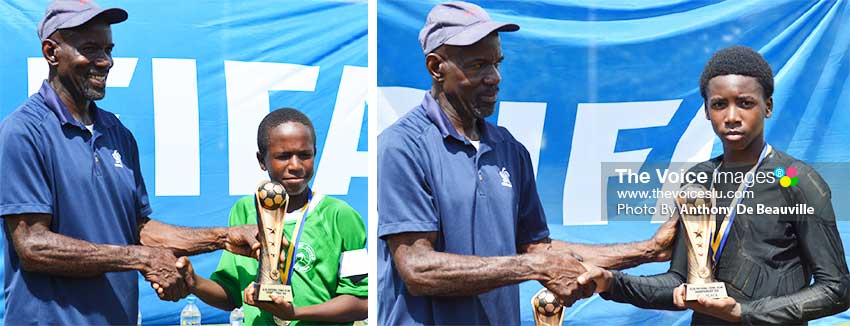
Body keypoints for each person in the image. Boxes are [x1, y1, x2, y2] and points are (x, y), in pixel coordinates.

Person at [377, 2, 679, 325]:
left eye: (496, 64)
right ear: (437, 67)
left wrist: (649, 250)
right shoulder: (403, 146)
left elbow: (537, 251)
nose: (494, 78)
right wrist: (535, 268)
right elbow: (418, 268)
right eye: (479, 65)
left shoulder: (509, 148)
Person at [0, 1, 261, 324]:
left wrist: (222, 237)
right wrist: (141, 259)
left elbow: (138, 229)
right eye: (91, 49)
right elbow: (33, 245)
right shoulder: (24, 131)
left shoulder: (117, 133)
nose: (105, 61)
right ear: (52, 53)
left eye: (108, 49)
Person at [578, 46, 850, 325]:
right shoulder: (698, 179)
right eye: (719, 104)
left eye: (745, 103)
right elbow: (680, 281)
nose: (731, 116)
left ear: (768, 107)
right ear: (707, 111)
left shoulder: (795, 179)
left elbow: (836, 289)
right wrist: (610, 282)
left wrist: (743, 313)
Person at [176, 108, 368, 325]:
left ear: (315, 153)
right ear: (262, 160)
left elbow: (362, 302)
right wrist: (194, 282)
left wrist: (294, 313)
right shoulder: (245, 211)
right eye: (283, 156)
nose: (295, 166)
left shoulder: (340, 215)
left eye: (305, 155)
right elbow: (231, 295)